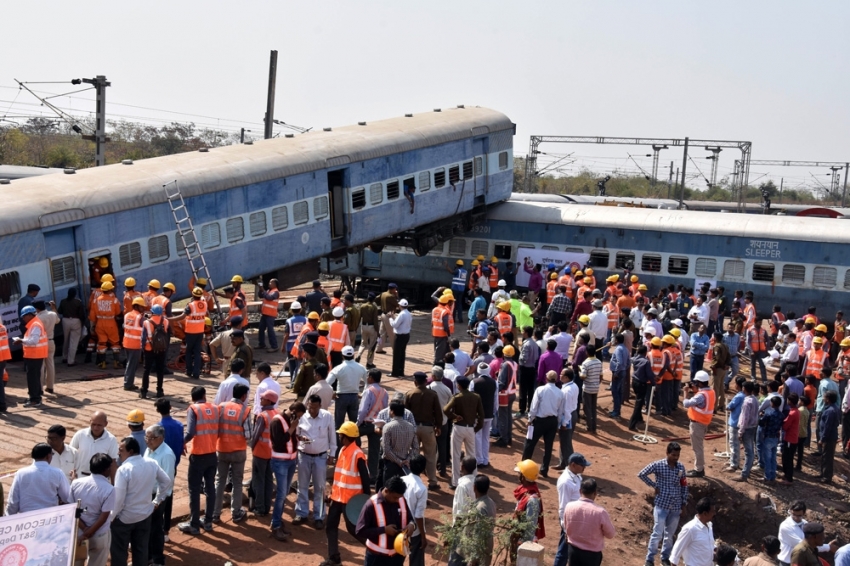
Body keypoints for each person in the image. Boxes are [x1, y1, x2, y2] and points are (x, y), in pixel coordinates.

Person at [110, 436, 172, 566]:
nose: (118, 453)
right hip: (144, 516)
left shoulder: (124, 470)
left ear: (131, 451)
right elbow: (166, 482)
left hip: (125, 518)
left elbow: (119, 499)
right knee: (141, 550)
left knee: (119, 552)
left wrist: (111, 517)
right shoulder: (151, 463)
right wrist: (157, 501)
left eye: (121, 450)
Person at [323, 421, 370, 566]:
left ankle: (377, 551)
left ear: (346, 436)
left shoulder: (358, 454)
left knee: (354, 530)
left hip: (352, 500)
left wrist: (365, 500)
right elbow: (339, 475)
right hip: (338, 497)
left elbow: (365, 479)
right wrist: (331, 493)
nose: (339, 437)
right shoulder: (343, 450)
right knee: (330, 526)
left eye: (340, 435)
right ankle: (334, 558)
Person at [638, 443, 688, 566]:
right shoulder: (658, 465)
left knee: (669, 535)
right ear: (667, 453)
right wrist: (654, 485)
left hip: (675, 506)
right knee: (657, 533)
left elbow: (684, 485)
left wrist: (684, 503)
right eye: (673, 455)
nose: (675, 457)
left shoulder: (681, 468)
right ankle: (649, 559)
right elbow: (642, 474)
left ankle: (665, 558)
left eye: (677, 455)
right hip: (662, 505)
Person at [177, 386, 219, 536]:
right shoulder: (215, 408)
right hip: (212, 454)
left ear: (193, 397)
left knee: (194, 489)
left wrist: (180, 443)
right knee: (210, 488)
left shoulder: (193, 409)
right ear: (204, 396)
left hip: (198, 455)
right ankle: (208, 521)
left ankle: (194, 524)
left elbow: (190, 432)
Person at [294, 394, 336, 528]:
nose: (311, 410)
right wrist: (300, 439)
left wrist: (332, 454)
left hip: (320, 457)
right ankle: (302, 513)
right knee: (302, 486)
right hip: (303, 456)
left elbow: (332, 436)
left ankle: (319, 516)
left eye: (314, 408)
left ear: (320, 406)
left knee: (320, 487)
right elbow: (295, 434)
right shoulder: (302, 417)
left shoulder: (327, 417)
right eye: (309, 407)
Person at [355, 475, 415, 566]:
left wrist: (411, 525)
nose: (397, 501)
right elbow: (360, 531)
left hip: (398, 555)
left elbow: (410, 518)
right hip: (377, 558)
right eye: (395, 498)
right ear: (386, 491)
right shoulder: (371, 505)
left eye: (399, 497)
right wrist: (383, 530)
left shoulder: (401, 500)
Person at [214, 382, 252, 523]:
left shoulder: (221, 407)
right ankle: (236, 513)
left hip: (222, 449)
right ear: (243, 396)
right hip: (238, 452)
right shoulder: (245, 410)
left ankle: (215, 513)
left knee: (219, 481)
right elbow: (248, 435)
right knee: (237, 482)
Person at [71, 454, 115, 566]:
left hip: (79, 533)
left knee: (76, 562)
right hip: (98, 535)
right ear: (106, 469)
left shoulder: (76, 483)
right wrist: (90, 532)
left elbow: (73, 511)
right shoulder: (109, 489)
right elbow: (103, 516)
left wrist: (84, 530)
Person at [269, 401, 305, 541]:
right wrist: (292, 429)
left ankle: (278, 521)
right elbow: (278, 442)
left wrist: (299, 438)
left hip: (291, 460)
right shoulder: (277, 421)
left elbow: (290, 439)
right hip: (280, 461)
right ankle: (276, 525)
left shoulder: (291, 421)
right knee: (281, 494)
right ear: (293, 410)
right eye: (298, 415)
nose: (298, 419)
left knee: (284, 494)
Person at [522, 370, 566, 478]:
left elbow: (534, 406)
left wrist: (530, 419)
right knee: (548, 446)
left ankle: (524, 467)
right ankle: (544, 469)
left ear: (546, 378)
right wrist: (558, 424)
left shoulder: (540, 390)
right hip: (552, 422)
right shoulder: (560, 392)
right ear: (556, 379)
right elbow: (561, 411)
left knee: (530, 444)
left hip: (539, 421)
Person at [6, 442, 71, 514]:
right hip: (49, 518)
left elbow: (13, 501)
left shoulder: (21, 473)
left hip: (26, 518)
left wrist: (9, 518)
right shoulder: (58, 473)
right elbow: (67, 497)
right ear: (48, 456)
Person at [563, 478, 616, 566]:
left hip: (573, 551)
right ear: (595, 493)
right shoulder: (600, 512)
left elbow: (566, 526)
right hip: (592, 555)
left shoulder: (569, 506)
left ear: (580, 491)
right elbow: (610, 534)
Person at [444, 376, 484, 488]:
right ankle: (474, 480)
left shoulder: (457, 397)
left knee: (455, 455)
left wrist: (454, 416)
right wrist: (476, 428)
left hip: (458, 427)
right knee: (471, 454)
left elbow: (446, 409)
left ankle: (455, 482)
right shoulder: (476, 397)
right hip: (470, 428)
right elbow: (481, 415)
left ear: (459, 386)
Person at [144, 425, 176, 566]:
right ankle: (148, 557)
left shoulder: (167, 455)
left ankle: (158, 560)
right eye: (147, 437)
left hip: (159, 497)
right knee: (147, 528)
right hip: (147, 495)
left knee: (156, 529)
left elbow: (167, 481)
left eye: (151, 438)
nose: (148, 441)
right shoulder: (149, 450)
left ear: (161, 438)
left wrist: (157, 501)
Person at [405, 372, 442, 489]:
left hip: (413, 428)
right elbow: (438, 413)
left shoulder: (409, 394)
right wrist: (438, 426)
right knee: (430, 455)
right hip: (428, 428)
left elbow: (405, 413)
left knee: (413, 455)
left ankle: (413, 480)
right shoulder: (432, 394)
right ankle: (432, 482)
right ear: (426, 382)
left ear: (415, 382)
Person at [553, 453, 589, 566]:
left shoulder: (576, 476)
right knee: (563, 551)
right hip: (569, 520)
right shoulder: (566, 482)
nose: (584, 467)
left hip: (577, 519)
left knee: (571, 550)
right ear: (573, 465)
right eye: (582, 465)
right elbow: (563, 506)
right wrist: (565, 527)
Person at [248, 389, 279, 517]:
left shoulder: (263, 416)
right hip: (272, 453)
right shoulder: (277, 414)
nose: (260, 400)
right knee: (268, 480)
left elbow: (256, 435)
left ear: (269, 400)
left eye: (262, 398)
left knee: (258, 480)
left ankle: (260, 508)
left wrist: (252, 447)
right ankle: (266, 506)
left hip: (260, 452)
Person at [168, 286, 208, 379]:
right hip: (200, 331)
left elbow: (182, 317)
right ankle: (196, 373)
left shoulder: (191, 305)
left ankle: (189, 371)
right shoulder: (204, 304)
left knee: (189, 352)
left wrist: (170, 318)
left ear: (193, 295)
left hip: (190, 332)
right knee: (197, 352)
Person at [778, 501, 836, 566]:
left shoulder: (804, 523)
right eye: (794, 514)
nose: (796, 518)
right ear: (791, 511)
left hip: (802, 561)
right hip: (787, 562)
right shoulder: (785, 526)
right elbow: (805, 546)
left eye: (799, 515)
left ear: (804, 513)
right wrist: (828, 547)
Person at [683, 371, 715, 478]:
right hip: (704, 423)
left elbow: (686, 404)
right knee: (698, 447)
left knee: (697, 448)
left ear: (700, 383)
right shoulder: (711, 392)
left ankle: (699, 470)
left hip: (697, 424)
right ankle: (699, 468)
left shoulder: (700, 396)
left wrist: (685, 393)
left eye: (696, 382)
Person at [14, 305, 47, 407]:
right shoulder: (34, 323)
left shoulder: (35, 325)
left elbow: (34, 341)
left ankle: (35, 399)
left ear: (29, 315)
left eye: (24, 316)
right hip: (34, 355)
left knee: (33, 378)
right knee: (34, 377)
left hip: (35, 355)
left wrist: (21, 341)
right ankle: (34, 397)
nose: (23, 318)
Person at [329, 345, 368, 428]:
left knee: (338, 425)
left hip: (341, 397)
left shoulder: (338, 368)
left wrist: (332, 392)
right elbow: (368, 382)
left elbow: (327, 383)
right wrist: (363, 394)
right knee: (355, 425)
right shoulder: (361, 367)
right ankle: (355, 441)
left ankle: (338, 441)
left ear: (342, 356)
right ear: (353, 355)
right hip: (355, 397)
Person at [670, 497, 716, 566]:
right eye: (713, 511)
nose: (714, 513)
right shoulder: (690, 529)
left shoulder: (709, 526)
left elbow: (706, 546)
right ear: (705, 513)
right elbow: (676, 553)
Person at [71, 411, 119, 476]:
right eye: (93, 424)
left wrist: (113, 483)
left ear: (106, 424)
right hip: (80, 476)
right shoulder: (80, 435)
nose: (95, 428)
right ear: (90, 421)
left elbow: (113, 463)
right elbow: (70, 453)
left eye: (99, 425)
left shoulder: (111, 440)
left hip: (100, 479)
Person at [401, 455, 429, 566]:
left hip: (400, 526)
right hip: (414, 532)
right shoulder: (421, 489)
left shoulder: (401, 480)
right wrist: (423, 536)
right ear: (423, 469)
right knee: (416, 560)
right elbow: (418, 516)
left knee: (397, 558)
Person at [381, 401, 418, 484]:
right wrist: (407, 460)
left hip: (391, 465)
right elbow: (415, 447)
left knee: (389, 490)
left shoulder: (388, 427)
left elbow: (386, 450)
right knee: (402, 492)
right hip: (406, 466)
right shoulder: (411, 426)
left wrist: (399, 462)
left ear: (392, 411)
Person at [731, 381, 760, 482]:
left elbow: (744, 418)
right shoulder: (755, 399)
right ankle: (747, 470)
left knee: (749, 452)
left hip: (747, 428)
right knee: (750, 449)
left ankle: (744, 474)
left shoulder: (747, 402)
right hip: (753, 427)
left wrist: (740, 432)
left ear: (744, 389)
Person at [140, 304, 170, 399]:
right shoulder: (165, 321)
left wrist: (142, 349)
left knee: (146, 371)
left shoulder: (146, 323)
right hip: (161, 349)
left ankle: (144, 391)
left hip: (149, 349)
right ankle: (159, 391)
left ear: (151, 312)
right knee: (160, 370)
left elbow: (143, 338)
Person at [471, 363, 497, 467]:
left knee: (477, 436)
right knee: (486, 437)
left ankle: (479, 460)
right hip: (489, 414)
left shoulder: (474, 382)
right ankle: (485, 459)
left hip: (477, 415)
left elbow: (471, 399)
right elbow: (496, 399)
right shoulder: (494, 382)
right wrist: (494, 411)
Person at [514, 460, 545, 544]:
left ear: (523, 477)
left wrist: (523, 542)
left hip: (525, 542)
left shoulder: (532, 500)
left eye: (519, 474)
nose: (518, 476)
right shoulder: (525, 492)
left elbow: (530, 526)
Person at [555, 369, 580, 469]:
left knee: (566, 443)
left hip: (567, 417)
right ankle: (563, 463)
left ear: (566, 377)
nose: (559, 375)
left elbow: (567, 409)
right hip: (572, 415)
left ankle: (570, 467)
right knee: (564, 441)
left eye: (561, 374)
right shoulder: (573, 386)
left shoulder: (567, 391)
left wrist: (564, 423)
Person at [759, 395, 784, 485]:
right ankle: (772, 476)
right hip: (776, 437)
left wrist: (760, 416)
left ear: (772, 404)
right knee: (773, 458)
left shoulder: (769, 414)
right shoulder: (781, 415)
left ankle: (767, 477)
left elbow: (761, 423)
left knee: (767, 458)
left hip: (768, 437)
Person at [59, 288, 85, 366]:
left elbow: (59, 311)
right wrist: (83, 323)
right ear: (75, 294)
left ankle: (64, 357)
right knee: (74, 342)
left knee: (66, 339)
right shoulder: (78, 302)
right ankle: (70, 361)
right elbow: (82, 315)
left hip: (65, 320)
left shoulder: (63, 301)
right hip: (76, 321)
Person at [818, 389, 840, 483]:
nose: (823, 398)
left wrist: (822, 439)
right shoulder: (833, 408)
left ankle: (827, 478)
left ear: (828, 399)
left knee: (827, 457)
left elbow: (827, 427)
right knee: (825, 456)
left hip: (829, 438)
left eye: (824, 397)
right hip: (830, 436)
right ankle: (823, 474)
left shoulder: (830, 411)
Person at [580, 344, 603, 433]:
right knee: (593, 407)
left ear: (587, 352)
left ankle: (589, 426)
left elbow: (583, 376)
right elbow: (601, 376)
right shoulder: (599, 362)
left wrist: (580, 372)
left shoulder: (585, 363)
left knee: (587, 408)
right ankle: (593, 425)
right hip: (595, 387)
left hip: (587, 388)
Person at [780, 394, 801, 484]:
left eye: (788, 400)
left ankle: (789, 478)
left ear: (791, 402)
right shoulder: (796, 411)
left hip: (790, 439)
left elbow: (785, 426)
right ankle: (786, 474)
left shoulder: (792, 413)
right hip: (792, 437)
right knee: (786, 457)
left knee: (788, 458)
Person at [389, 298, 412, 377]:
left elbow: (395, 325)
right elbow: (401, 323)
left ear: (400, 306)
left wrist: (391, 318)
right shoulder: (408, 313)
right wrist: (395, 318)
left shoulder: (401, 314)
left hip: (399, 336)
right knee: (402, 354)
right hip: (406, 335)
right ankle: (401, 371)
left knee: (396, 354)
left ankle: (395, 373)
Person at [451, 457, 477, 523]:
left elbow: (460, 511)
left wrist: (456, 529)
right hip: (472, 520)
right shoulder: (476, 482)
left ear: (462, 467)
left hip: (463, 524)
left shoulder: (462, 486)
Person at [378, 283, 400, 354]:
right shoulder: (390, 296)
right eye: (395, 289)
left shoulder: (383, 294)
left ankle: (379, 348)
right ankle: (395, 350)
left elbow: (376, 299)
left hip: (383, 314)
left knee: (382, 333)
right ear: (392, 289)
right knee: (392, 334)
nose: (396, 290)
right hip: (389, 316)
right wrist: (397, 296)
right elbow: (398, 304)